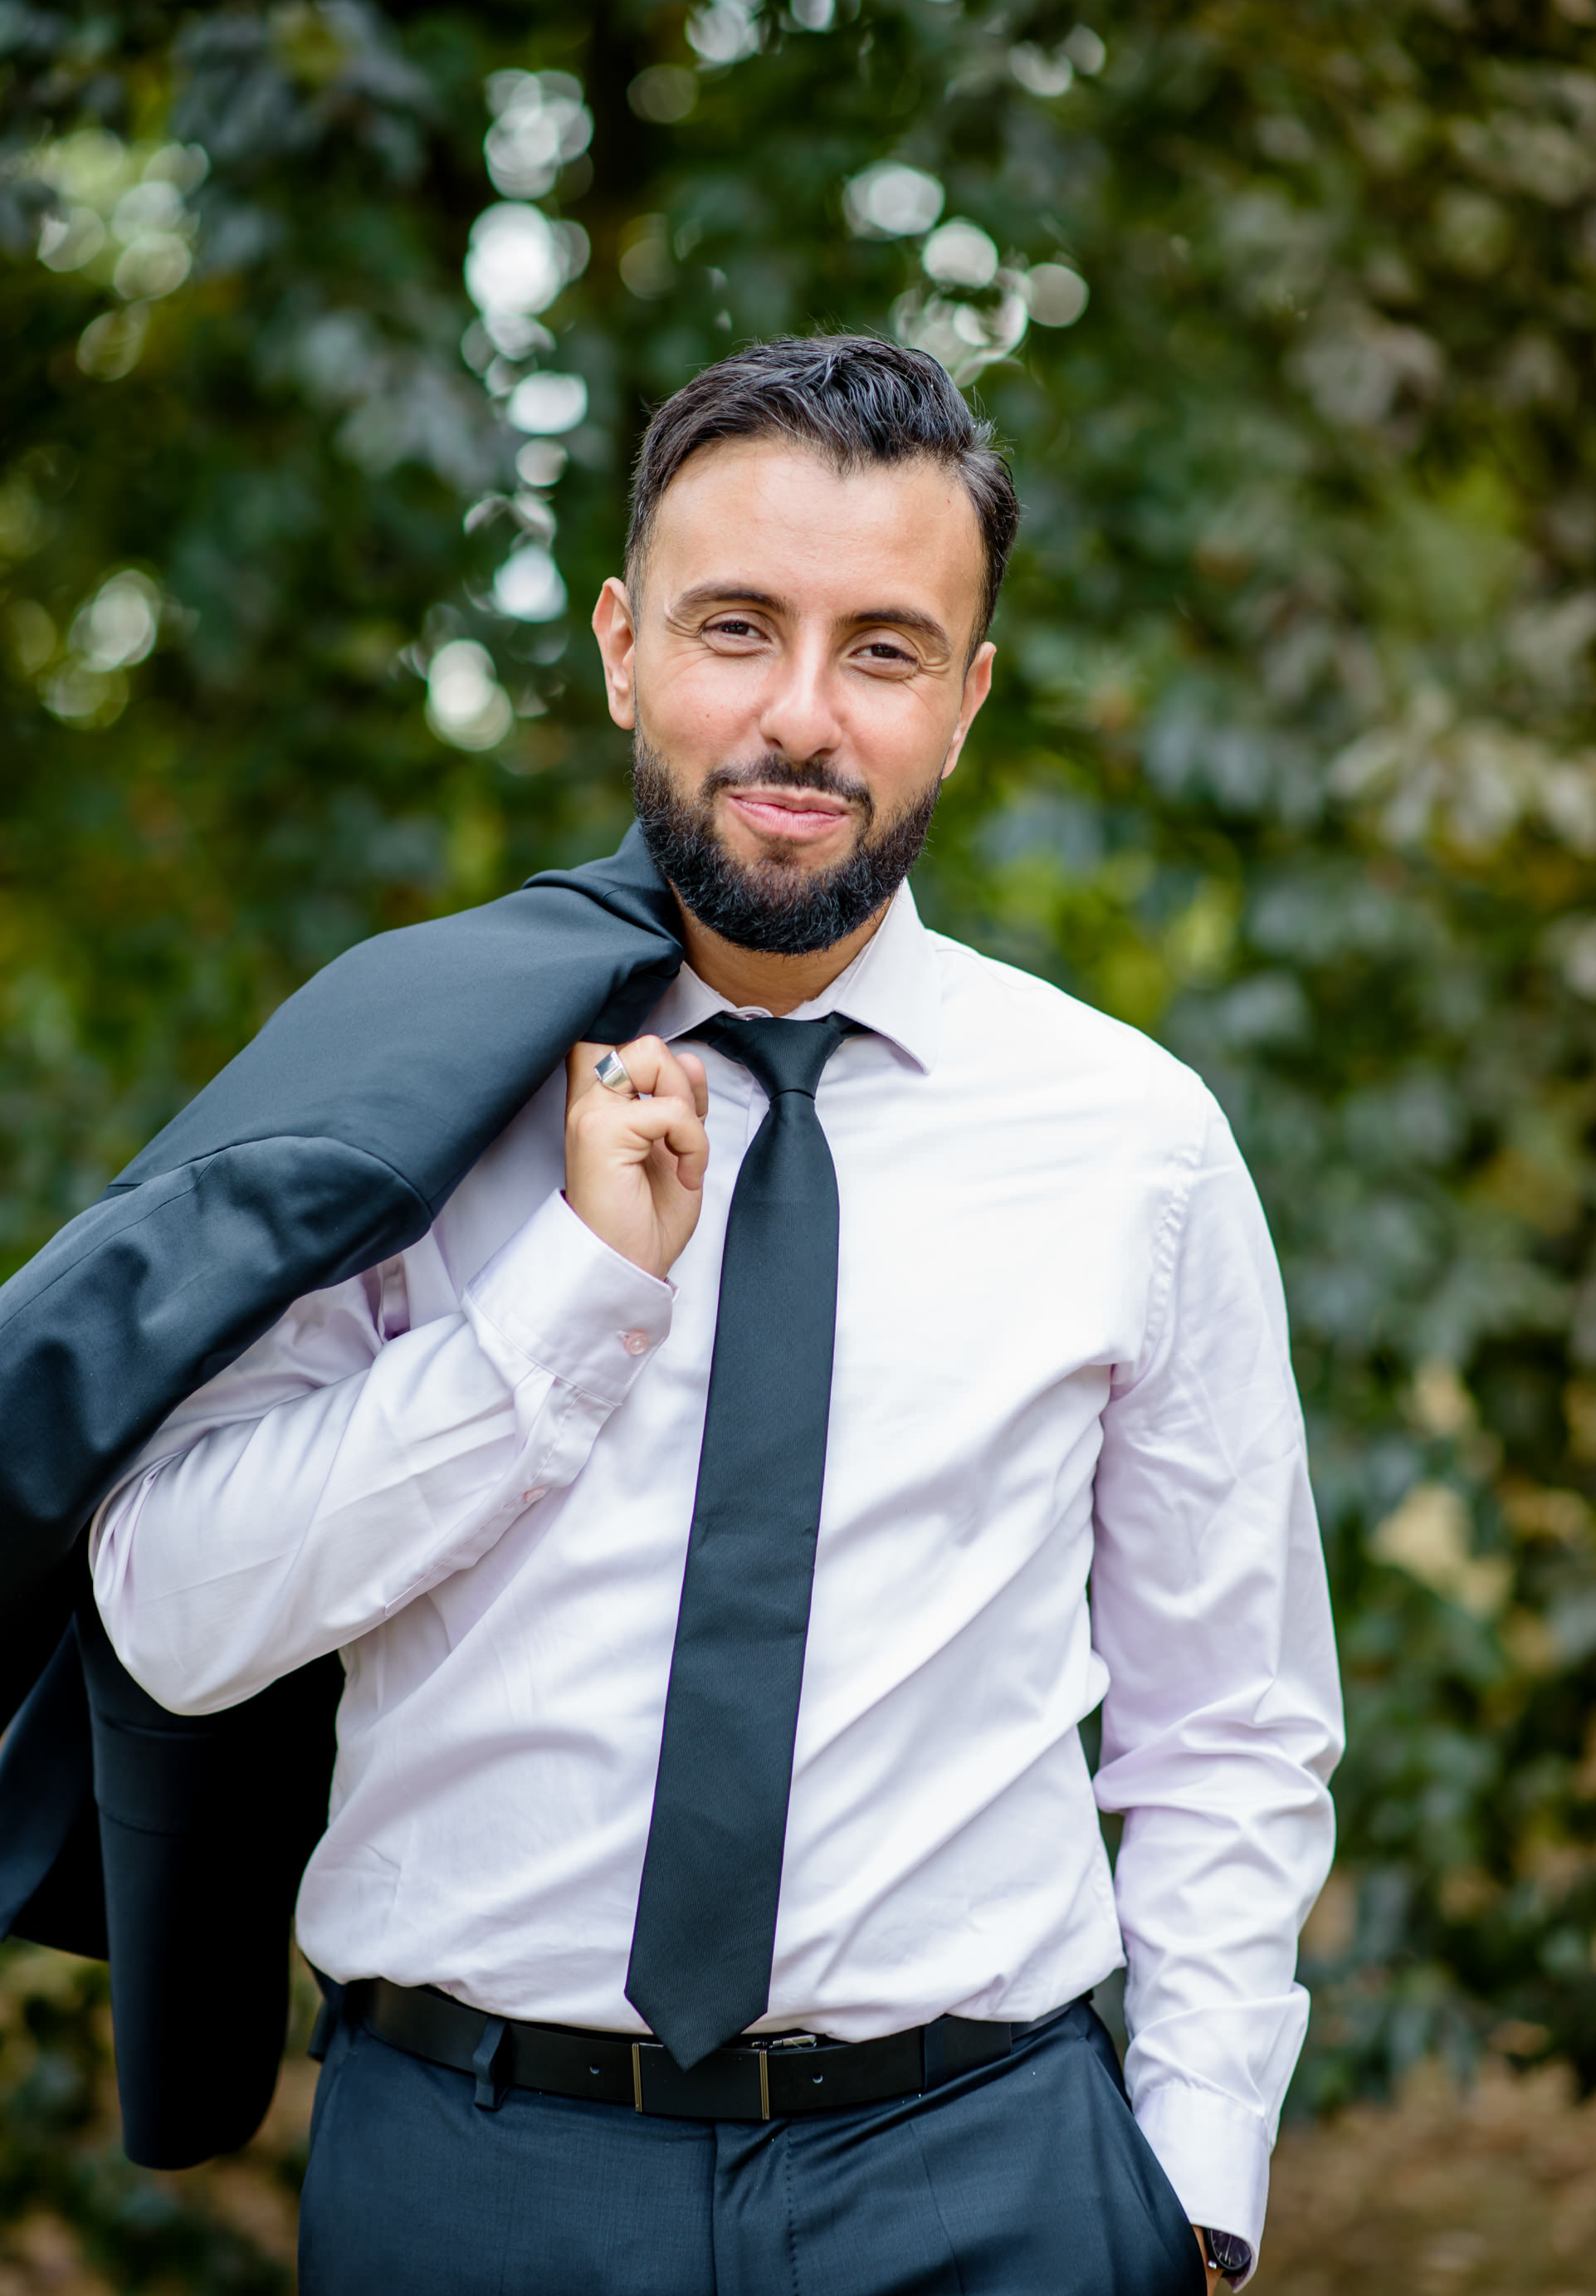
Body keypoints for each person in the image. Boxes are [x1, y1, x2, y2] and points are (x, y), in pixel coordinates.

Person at [88, 335, 1341, 2294]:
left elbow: (1226, 1726)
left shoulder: (1130, 1143)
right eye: (733, 627)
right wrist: (566, 1301)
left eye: (882, 649)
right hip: (476, 2173)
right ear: (616, 646)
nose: (797, 718)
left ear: (968, 698)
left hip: (983, 2178)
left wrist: (1187, 2189)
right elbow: (172, 1618)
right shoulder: (392, 1098)